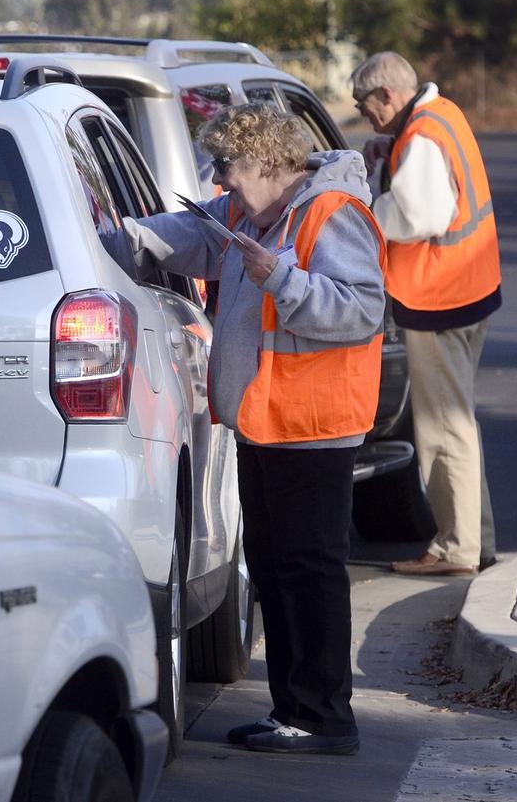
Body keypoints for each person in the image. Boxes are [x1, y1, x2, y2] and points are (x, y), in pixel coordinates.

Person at [123, 102, 385, 756]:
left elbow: (362, 311)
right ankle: (293, 709)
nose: (221, 181)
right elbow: (192, 236)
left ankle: (324, 717)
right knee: (273, 567)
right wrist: (121, 236)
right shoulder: (250, 213)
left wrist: (283, 279)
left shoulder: (331, 213)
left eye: (228, 166)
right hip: (267, 421)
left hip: (312, 423)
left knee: (309, 570)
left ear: (267, 162)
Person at [350, 52, 501, 576]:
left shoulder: (421, 137)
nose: (363, 116)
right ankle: (471, 541)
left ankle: (457, 548)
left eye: (363, 106)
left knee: (442, 428)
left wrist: (362, 212)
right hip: (467, 288)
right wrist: (389, 156)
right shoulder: (441, 117)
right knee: (456, 423)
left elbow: (420, 214)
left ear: (387, 96)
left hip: (438, 297)